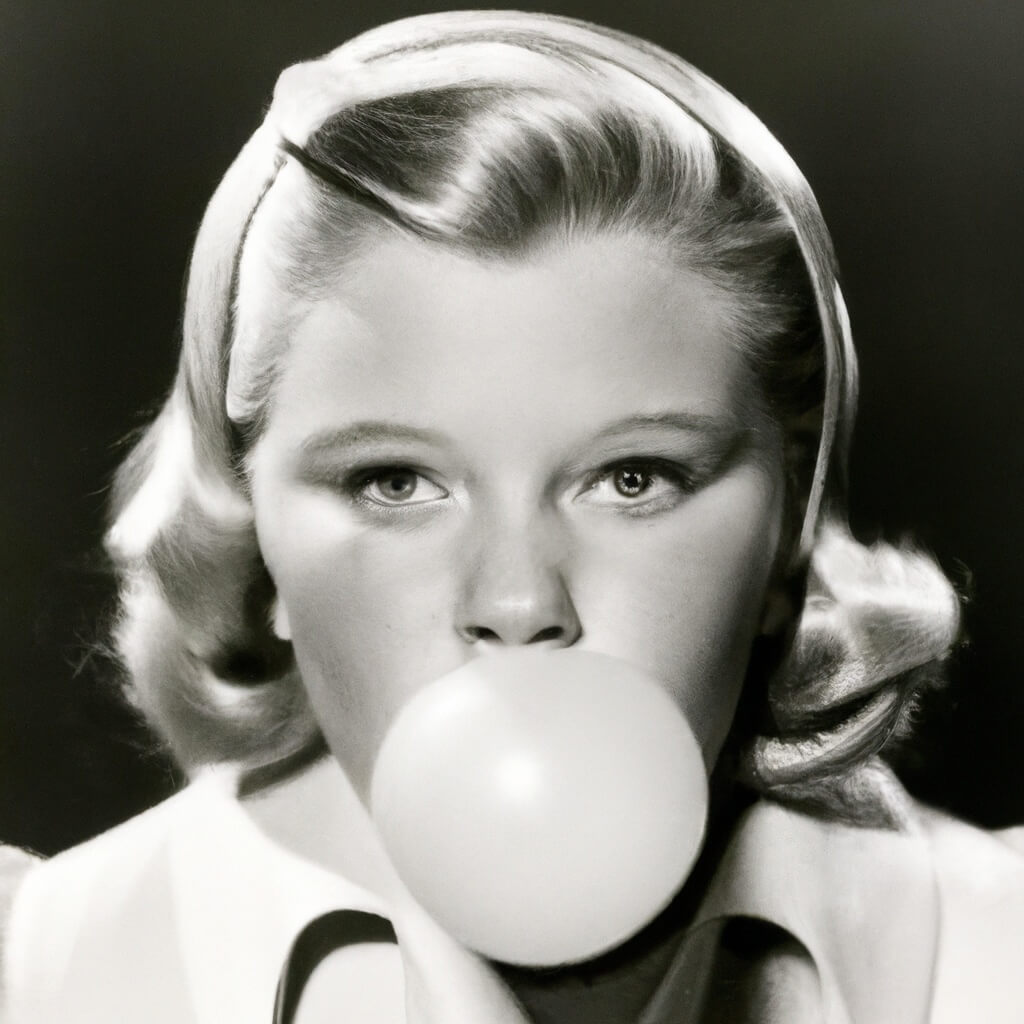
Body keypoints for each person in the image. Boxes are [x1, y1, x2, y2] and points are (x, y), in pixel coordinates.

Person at [4, 10, 1022, 1023]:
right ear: (250, 533)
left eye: (633, 477)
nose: (519, 601)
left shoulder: (996, 947)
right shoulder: (38, 970)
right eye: (394, 482)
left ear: (786, 535)